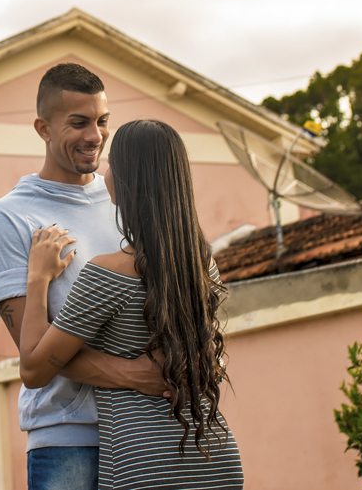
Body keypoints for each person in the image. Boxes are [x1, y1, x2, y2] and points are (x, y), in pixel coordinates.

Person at [20, 119, 243, 489]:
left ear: (125, 180)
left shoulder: (109, 273)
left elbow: (33, 370)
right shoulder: (202, 266)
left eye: (113, 163)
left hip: (142, 463)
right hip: (214, 457)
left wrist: (37, 278)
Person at [0, 63, 167, 490]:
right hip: (68, 438)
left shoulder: (127, 196)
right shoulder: (9, 216)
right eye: (78, 123)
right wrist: (134, 374)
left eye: (102, 122)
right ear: (43, 128)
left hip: (146, 430)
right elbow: (36, 352)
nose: (95, 136)